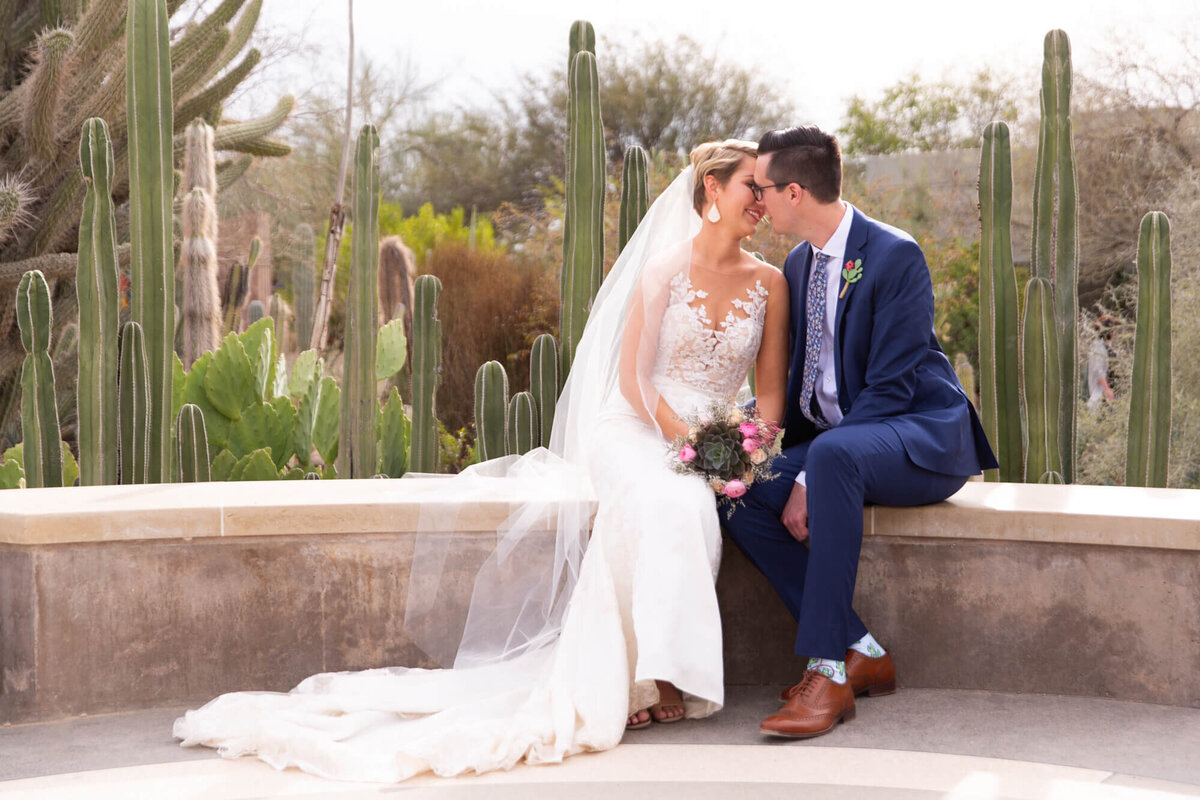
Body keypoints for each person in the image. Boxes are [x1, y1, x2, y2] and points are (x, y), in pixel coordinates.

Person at [173, 140, 789, 782]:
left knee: (687, 501)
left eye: (769, 192)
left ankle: (662, 668)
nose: (764, 202)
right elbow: (634, 380)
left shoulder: (769, 283)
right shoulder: (663, 270)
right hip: (638, 424)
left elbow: (768, 395)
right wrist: (685, 442)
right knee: (666, 496)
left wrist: (743, 451)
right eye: (753, 186)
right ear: (712, 191)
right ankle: (649, 678)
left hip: (712, 431)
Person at [724, 125, 998, 739]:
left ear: (795, 191)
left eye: (764, 189)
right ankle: (862, 650)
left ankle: (826, 675)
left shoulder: (895, 254)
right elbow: (803, 381)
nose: (758, 202)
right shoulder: (798, 264)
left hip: (917, 440)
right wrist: (748, 445)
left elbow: (893, 389)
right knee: (740, 498)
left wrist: (813, 474)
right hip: (842, 449)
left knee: (831, 459)